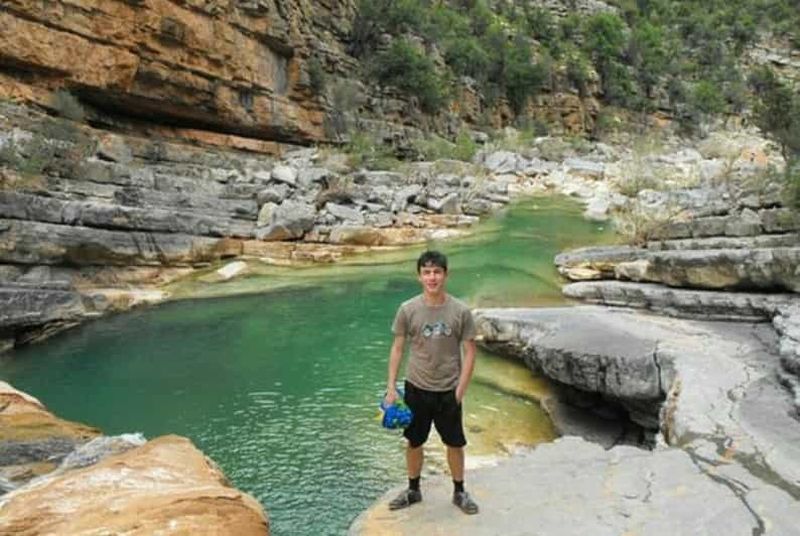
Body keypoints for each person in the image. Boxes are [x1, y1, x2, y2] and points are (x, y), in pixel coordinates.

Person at [383, 250, 479, 515]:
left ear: (445, 275)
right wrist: (391, 386)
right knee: (414, 441)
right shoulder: (408, 309)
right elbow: (397, 348)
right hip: (416, 387)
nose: (432, 277)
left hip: (449, 389)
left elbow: (470, 352)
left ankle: (459, 491)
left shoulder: (460, 311)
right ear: (419, 276)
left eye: (437, 272)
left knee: (455, 443)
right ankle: (413, 489)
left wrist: (460, 390)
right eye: (427, 272)